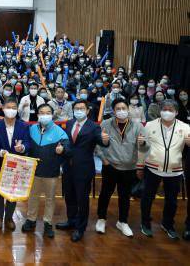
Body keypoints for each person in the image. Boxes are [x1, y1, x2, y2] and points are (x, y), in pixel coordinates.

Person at [56, 99, 109, 242]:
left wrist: (105, 140)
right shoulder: (70, 123)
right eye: (76, 108)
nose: (78, 110)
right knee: (70, 197)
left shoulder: (93, 127)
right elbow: (67, 142)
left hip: (83, 169)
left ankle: (80, 227)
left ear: (87, 111)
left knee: (82, 200)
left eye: (81, 108)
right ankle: (71, 220)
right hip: (68, 167)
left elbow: (101, 140)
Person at [138, 99, 190, 240]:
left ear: (176, 112)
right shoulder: (149, 125)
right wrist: (139, 166)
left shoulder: (185, 127)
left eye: (170, 110)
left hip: (175, 169)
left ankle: (168, 224)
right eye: (164, 109)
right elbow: (142, 148)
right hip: (152, 167)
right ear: (160, 110)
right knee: (147, 197)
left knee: (172, 201)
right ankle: (145, 223)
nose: (167, 112)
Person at [95, 98, 144, 237]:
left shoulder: (137, 126)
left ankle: (123, 221)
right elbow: (98, 143)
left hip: (129, 167)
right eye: (118, 109)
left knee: (125, 195)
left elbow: (145, 147)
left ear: (128, 109)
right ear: (114, 111)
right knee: (105, 193)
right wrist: (104, 160)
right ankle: (101, 218)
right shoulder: (106, 123)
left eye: (123, 108)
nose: (121, 111)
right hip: (110, 166)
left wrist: (143, 144)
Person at [22, 103, 70, 238]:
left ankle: (48, 223)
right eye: (41, 112)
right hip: (34, 171)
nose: (44, 115)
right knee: (33, 197)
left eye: (47, 112)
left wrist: (63, 149)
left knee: (50, 199)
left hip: (51, 172)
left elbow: (67, 147)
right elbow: (26, 146)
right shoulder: (31, 129)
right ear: (37, 115)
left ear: (52, 114)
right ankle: (31, 220)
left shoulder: (59, 132)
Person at [0, 97, 30, 231]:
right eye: (8, 107)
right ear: (3, 109)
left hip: (17, 165)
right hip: (0, 164)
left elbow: (27, 143)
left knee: (12, 192)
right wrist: (0, 152)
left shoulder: (24, 126)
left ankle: (9, 217)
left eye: (14, 108)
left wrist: (23, 148)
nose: (11, 110)